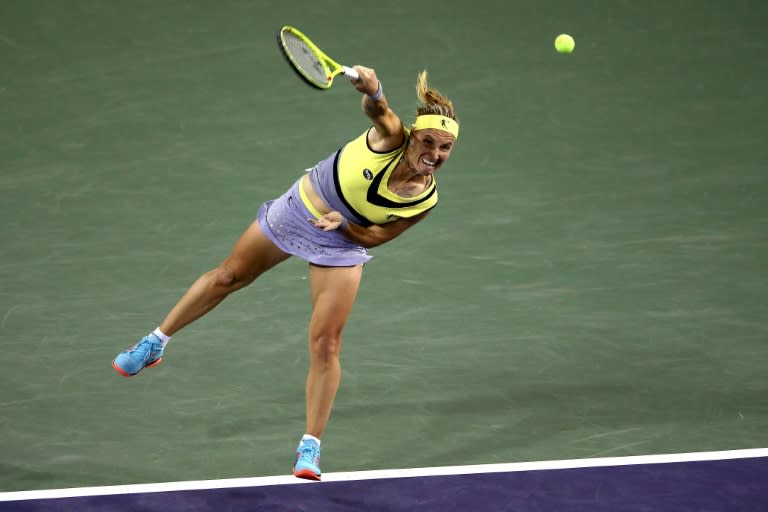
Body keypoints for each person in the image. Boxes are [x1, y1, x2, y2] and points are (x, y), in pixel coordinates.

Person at [112, 65, 460, 481]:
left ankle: (309, 447)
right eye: (428, 141)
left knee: (326, 344)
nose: (435, 154)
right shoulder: (389, 138)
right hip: (297, 211)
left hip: (343, 242)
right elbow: (378, 108)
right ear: (413, 136)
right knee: (229, 277)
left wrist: (343, 226)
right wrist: (374, 88)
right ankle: (155, 343)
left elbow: (377, 236)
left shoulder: (424, 201)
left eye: (446, 148)